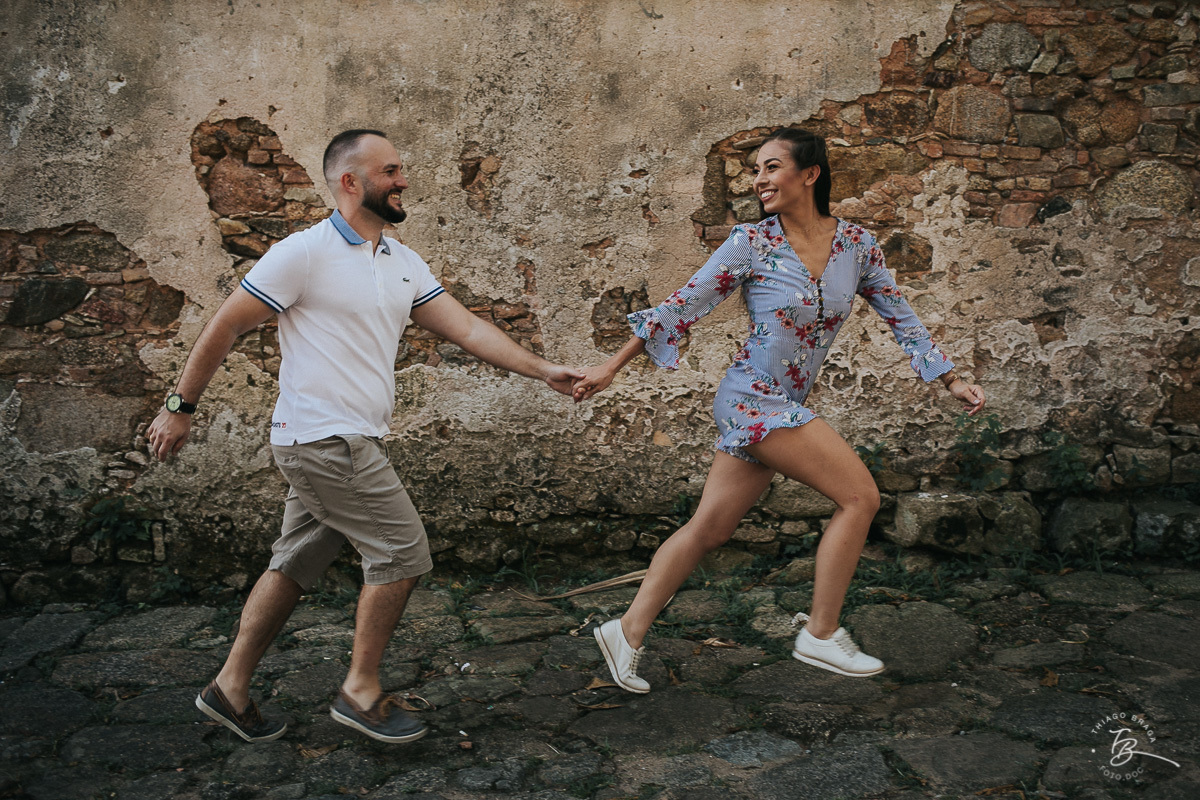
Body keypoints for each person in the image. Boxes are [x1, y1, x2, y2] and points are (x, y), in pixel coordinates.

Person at [147, 129, 582, 743]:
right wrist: (180, 407)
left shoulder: (401, 262)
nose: (403, 181)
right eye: (390, 171)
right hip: (325, 440)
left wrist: (545, 372)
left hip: (349, 441)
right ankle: (360, 690)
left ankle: (230, 687)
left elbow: (466, 330)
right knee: (402, 552)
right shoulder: (303, 253)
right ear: (350, 182)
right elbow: (225, 326)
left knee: (295, 562)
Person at [572, 128, 985, 692]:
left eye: (771, 167)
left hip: (783, 403)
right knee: (860, 497)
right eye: (756, 171)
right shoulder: (751, 242)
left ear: (809, 174)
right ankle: (821, 633)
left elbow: (900, 315)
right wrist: (610, 367)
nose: (759, 180)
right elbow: (680, 307)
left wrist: (950, 378)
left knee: (709, 529)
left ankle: (626, 632)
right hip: (752, 399)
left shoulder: (856, 245)